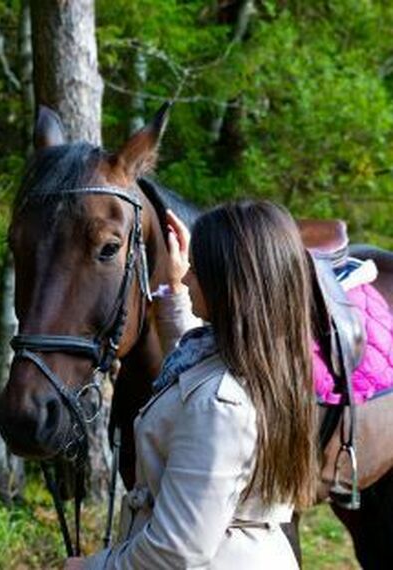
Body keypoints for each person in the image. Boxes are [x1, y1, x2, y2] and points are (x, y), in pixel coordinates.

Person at [66, 200, 318, 569]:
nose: (186, 278)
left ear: (230, 284)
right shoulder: (263, 362)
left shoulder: (219, 406)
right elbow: (195, 368)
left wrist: (93, 567)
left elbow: (176, 548)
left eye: (196, 270)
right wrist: (174, 292)